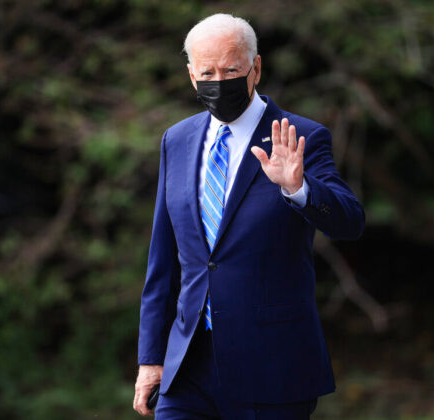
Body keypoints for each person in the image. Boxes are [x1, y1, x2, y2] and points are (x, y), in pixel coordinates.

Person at [133, 13, 364, 420]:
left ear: (255, 68)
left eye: (231, 70)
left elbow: (349, 220)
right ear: (191, 76)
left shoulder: (300, 135)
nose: (218, 81)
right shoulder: (177, 140)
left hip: (271, 367)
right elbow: (163, 261)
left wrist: (298, 188)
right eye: (207, 72)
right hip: (188, 367)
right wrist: (151, 358)